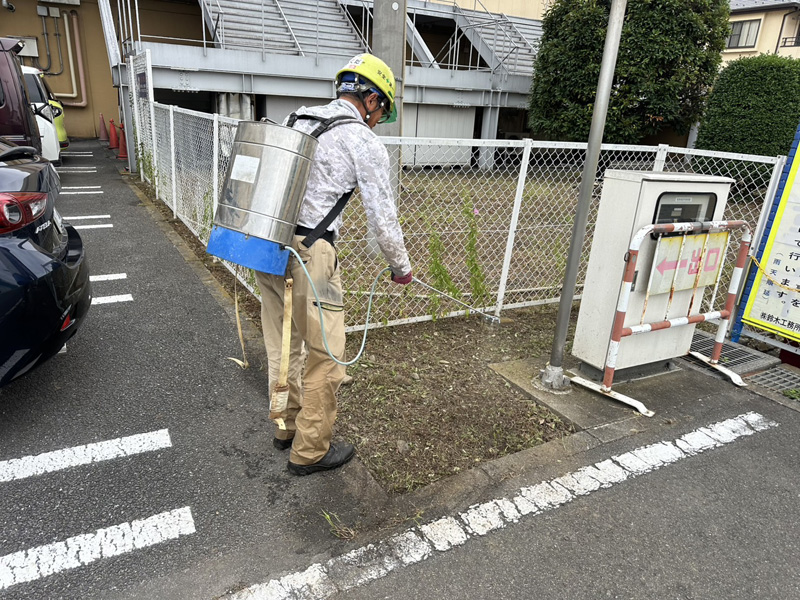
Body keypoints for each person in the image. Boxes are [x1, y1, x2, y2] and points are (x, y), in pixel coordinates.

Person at [255, 53, 413, 476]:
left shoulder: (298, 117)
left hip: (267, 243)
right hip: (313, 254)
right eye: (383, 110)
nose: (380, 119)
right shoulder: (362, 140)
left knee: (282, 343)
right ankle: (309, 452)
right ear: (373, 100)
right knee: (328, 355)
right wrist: (401, 267)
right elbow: (384, 217)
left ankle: (285, 428)